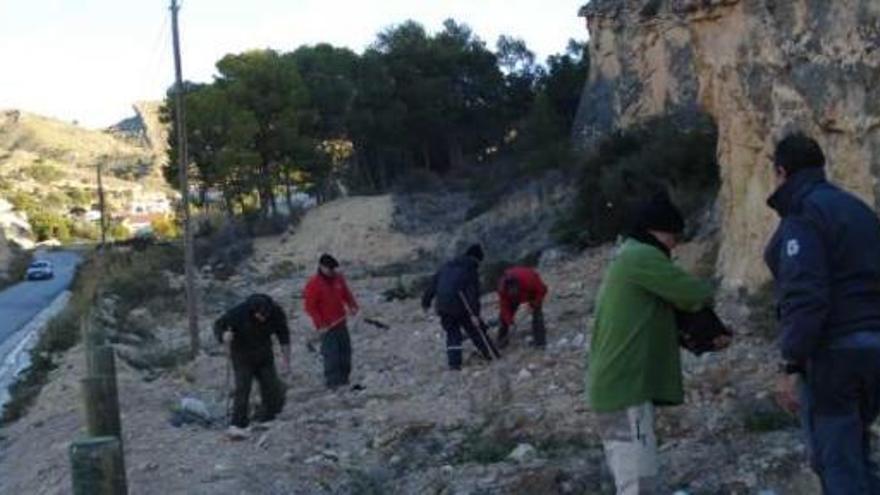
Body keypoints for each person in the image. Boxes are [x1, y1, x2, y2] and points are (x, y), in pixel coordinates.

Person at [765, 133, 880, 494]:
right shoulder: (858, 209)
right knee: (857, 454)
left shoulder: (803, 213)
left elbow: (806, 296)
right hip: (874, 349)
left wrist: (790, 363)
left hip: (835, 353)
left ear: (781, 172)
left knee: (837, 461)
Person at [587, 192, 724, 494]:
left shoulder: (628, 255)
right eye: (673, 234)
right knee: (639, 484)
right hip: (625, 389)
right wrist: (720, 286)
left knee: (634, 480)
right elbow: (691, 293)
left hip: (617, 388)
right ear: (654, 230)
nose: (675, 242)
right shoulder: (641, 256)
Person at [213, 294, 290, 430]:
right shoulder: (238, 312)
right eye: (260, 315)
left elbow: (284, 336)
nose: (263, 318)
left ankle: (269, 416)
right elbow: (219, 325)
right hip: (242, 355)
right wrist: (223, 335)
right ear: (253, 311)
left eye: (266, 315)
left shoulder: (276, 313)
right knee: (243, 388)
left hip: (264, 354)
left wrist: (286, 361)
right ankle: (238, 423)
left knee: (270, 386)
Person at [422, 243, 500, 370]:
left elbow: (432, 285)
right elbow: (472, 295)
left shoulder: (446, 267)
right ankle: (491, 354)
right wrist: (474, 314)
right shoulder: (470, 270)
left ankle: (454, 364)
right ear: (477, 259)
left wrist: (425, 302)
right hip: (460, 306)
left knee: (452, 334)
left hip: (442, 305)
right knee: (475, 330)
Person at [303, 254, 359, 389]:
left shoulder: (338, 279)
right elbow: (310, 307)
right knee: (332, 354)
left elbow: (346, 294)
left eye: (334, 269)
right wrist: (320, 324)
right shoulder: (313, 284)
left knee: (345, 352)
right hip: (326, 327)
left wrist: (352, 306)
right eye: (330, 269)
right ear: (321, 267)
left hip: (341, 322)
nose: (332, 271)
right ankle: (333, 383)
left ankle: (345, 380)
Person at [496, 266, 548, 348]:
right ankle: (502, 340)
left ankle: (540, 342)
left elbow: (542, 290)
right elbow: (504, 308)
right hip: (514, 297)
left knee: (538, 316)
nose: (513, 293)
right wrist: (509, 321)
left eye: (514, 291)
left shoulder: (530, 280)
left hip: (531, 293)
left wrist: (534, 303)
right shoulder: (502, 290)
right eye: (511, 292)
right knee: (503, 318)